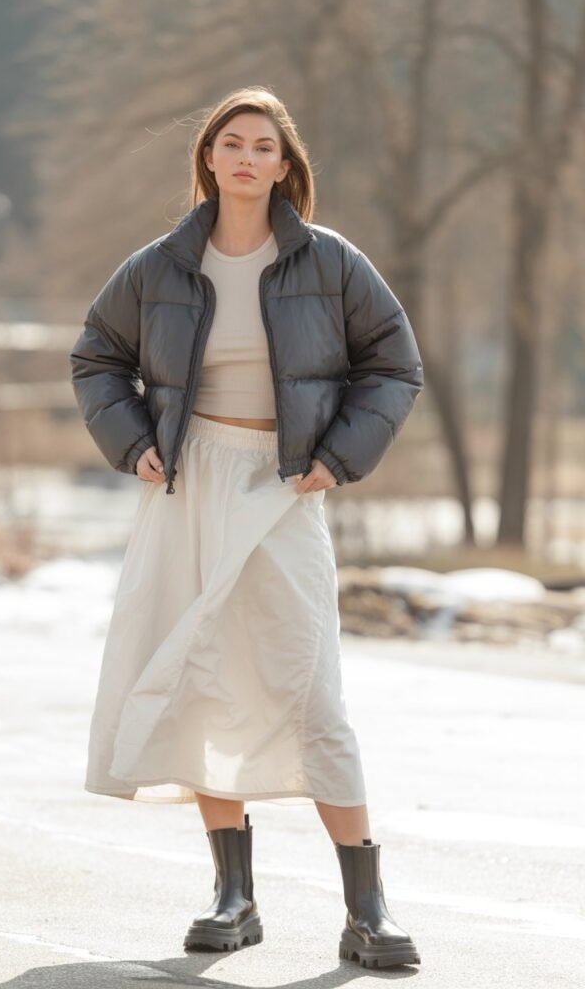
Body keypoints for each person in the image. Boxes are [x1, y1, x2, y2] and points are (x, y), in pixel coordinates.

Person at [69, 85, 424, 970]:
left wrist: (339, 456)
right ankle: (234, 896)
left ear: (285, 164)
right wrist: (131, 442)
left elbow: (395, 365)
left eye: (263, 145)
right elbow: (96, 357)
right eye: (231, 142)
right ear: (209, 159)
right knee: (196, 675)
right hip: (187, 487)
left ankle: (366, 910)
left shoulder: (331, 261)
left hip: (285, 486)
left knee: (310, 688)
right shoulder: (159, 265)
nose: (246, 158)